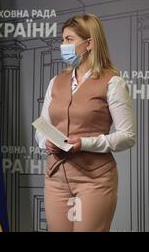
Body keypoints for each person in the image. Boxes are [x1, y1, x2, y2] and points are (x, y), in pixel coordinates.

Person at [35, 14, 136, 232]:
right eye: (62, 40)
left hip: (94, 180)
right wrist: (46, 143)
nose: (63, 46)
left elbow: (127, 136)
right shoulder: (56, 82)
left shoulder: (113, 82)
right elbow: (42, 128)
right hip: (56, 180)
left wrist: (84, 143)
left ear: (89, 43)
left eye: (69, 40)